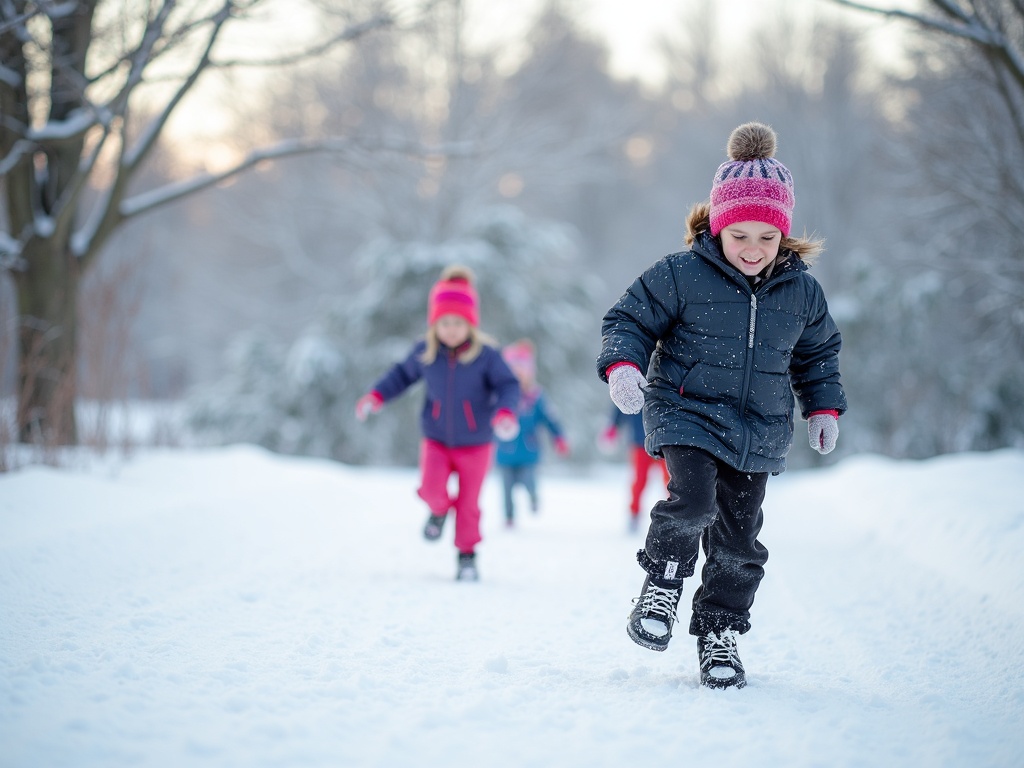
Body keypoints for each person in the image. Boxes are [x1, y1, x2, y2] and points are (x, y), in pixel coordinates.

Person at [596, 122, 847, 689]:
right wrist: (623, 366)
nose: (753, 249)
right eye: (739, 235)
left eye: (767, 236)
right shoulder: (681, 274)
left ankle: (719, 632)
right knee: (692, 502)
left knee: (739, 541)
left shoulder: (801, 292)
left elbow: (818, 355)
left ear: (783, 236)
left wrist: (823, 408)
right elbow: (628, 320)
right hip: (686, 411)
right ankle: (662, 585)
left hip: (757, 429)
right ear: (716, 224)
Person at [356, 265, 521, 581]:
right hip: (436, 439)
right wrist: (376, 395)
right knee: (432, 489)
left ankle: (467, 556)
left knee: (469, 504)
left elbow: (508, 386)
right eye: (444, 322)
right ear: (434, 323)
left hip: (476, 443)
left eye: (458, 322)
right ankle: (438, 509)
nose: (451, 329)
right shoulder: (425, 352)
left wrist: (505, 413)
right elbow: (400, 376)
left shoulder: (486, 355)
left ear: (470, 323)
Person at [495, 339, 569, 527]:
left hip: (528, 451)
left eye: (522, 370)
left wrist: (558, 438)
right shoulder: (500, 397)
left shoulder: (536, 396)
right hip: (505, 453)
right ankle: (509, 517)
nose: (518, 375)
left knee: (529, 480)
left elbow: (550, 419)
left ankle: (534, 497)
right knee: (506, 488)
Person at [598, 408, 669, 532]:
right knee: (639, 481)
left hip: (663, 441)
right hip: (640, 443)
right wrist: (614, 426)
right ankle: (634, 514)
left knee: (671, 481)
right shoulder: (635, 388)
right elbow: (622, 404)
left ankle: (674, 514)